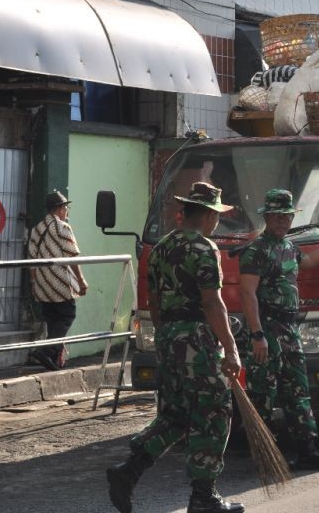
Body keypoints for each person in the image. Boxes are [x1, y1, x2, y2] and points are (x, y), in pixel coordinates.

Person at [107, 182, 243, 513]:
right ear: (209, 215)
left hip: (168, 338)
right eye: (216, 216)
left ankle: (129, 471)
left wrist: (168, 339)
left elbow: (154, 302)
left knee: (177, 414)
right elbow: (213, 303)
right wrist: (231, 348)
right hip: (196, 340)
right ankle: (203, 497)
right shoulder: (205, 249)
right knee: (214, 411)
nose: (216, 223)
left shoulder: (162, 248)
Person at [239, 189, 319, 470]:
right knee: (263, 393)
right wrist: (257, 335)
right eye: (276, 216)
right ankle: (264, 455)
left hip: (289, 329)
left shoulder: (288, 246)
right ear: (267, 217)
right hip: (268, 328)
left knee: (298, 390)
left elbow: (309, 262)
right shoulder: (256, 250)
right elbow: (248, 294)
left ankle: (307, 450)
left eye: (286, 216)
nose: (282, 221)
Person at [27, 190, 88, 371]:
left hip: (42, 284)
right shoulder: (63, 227)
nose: (67, 211)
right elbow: (73, 257)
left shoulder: (37, 229)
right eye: (66, 207)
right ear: (60, 209)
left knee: (53, 320)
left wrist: (34, 284)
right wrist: (81, 280)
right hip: (60, 284)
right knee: (68, 315)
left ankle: (53, 358)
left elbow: (31, 259)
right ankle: (46, 351)